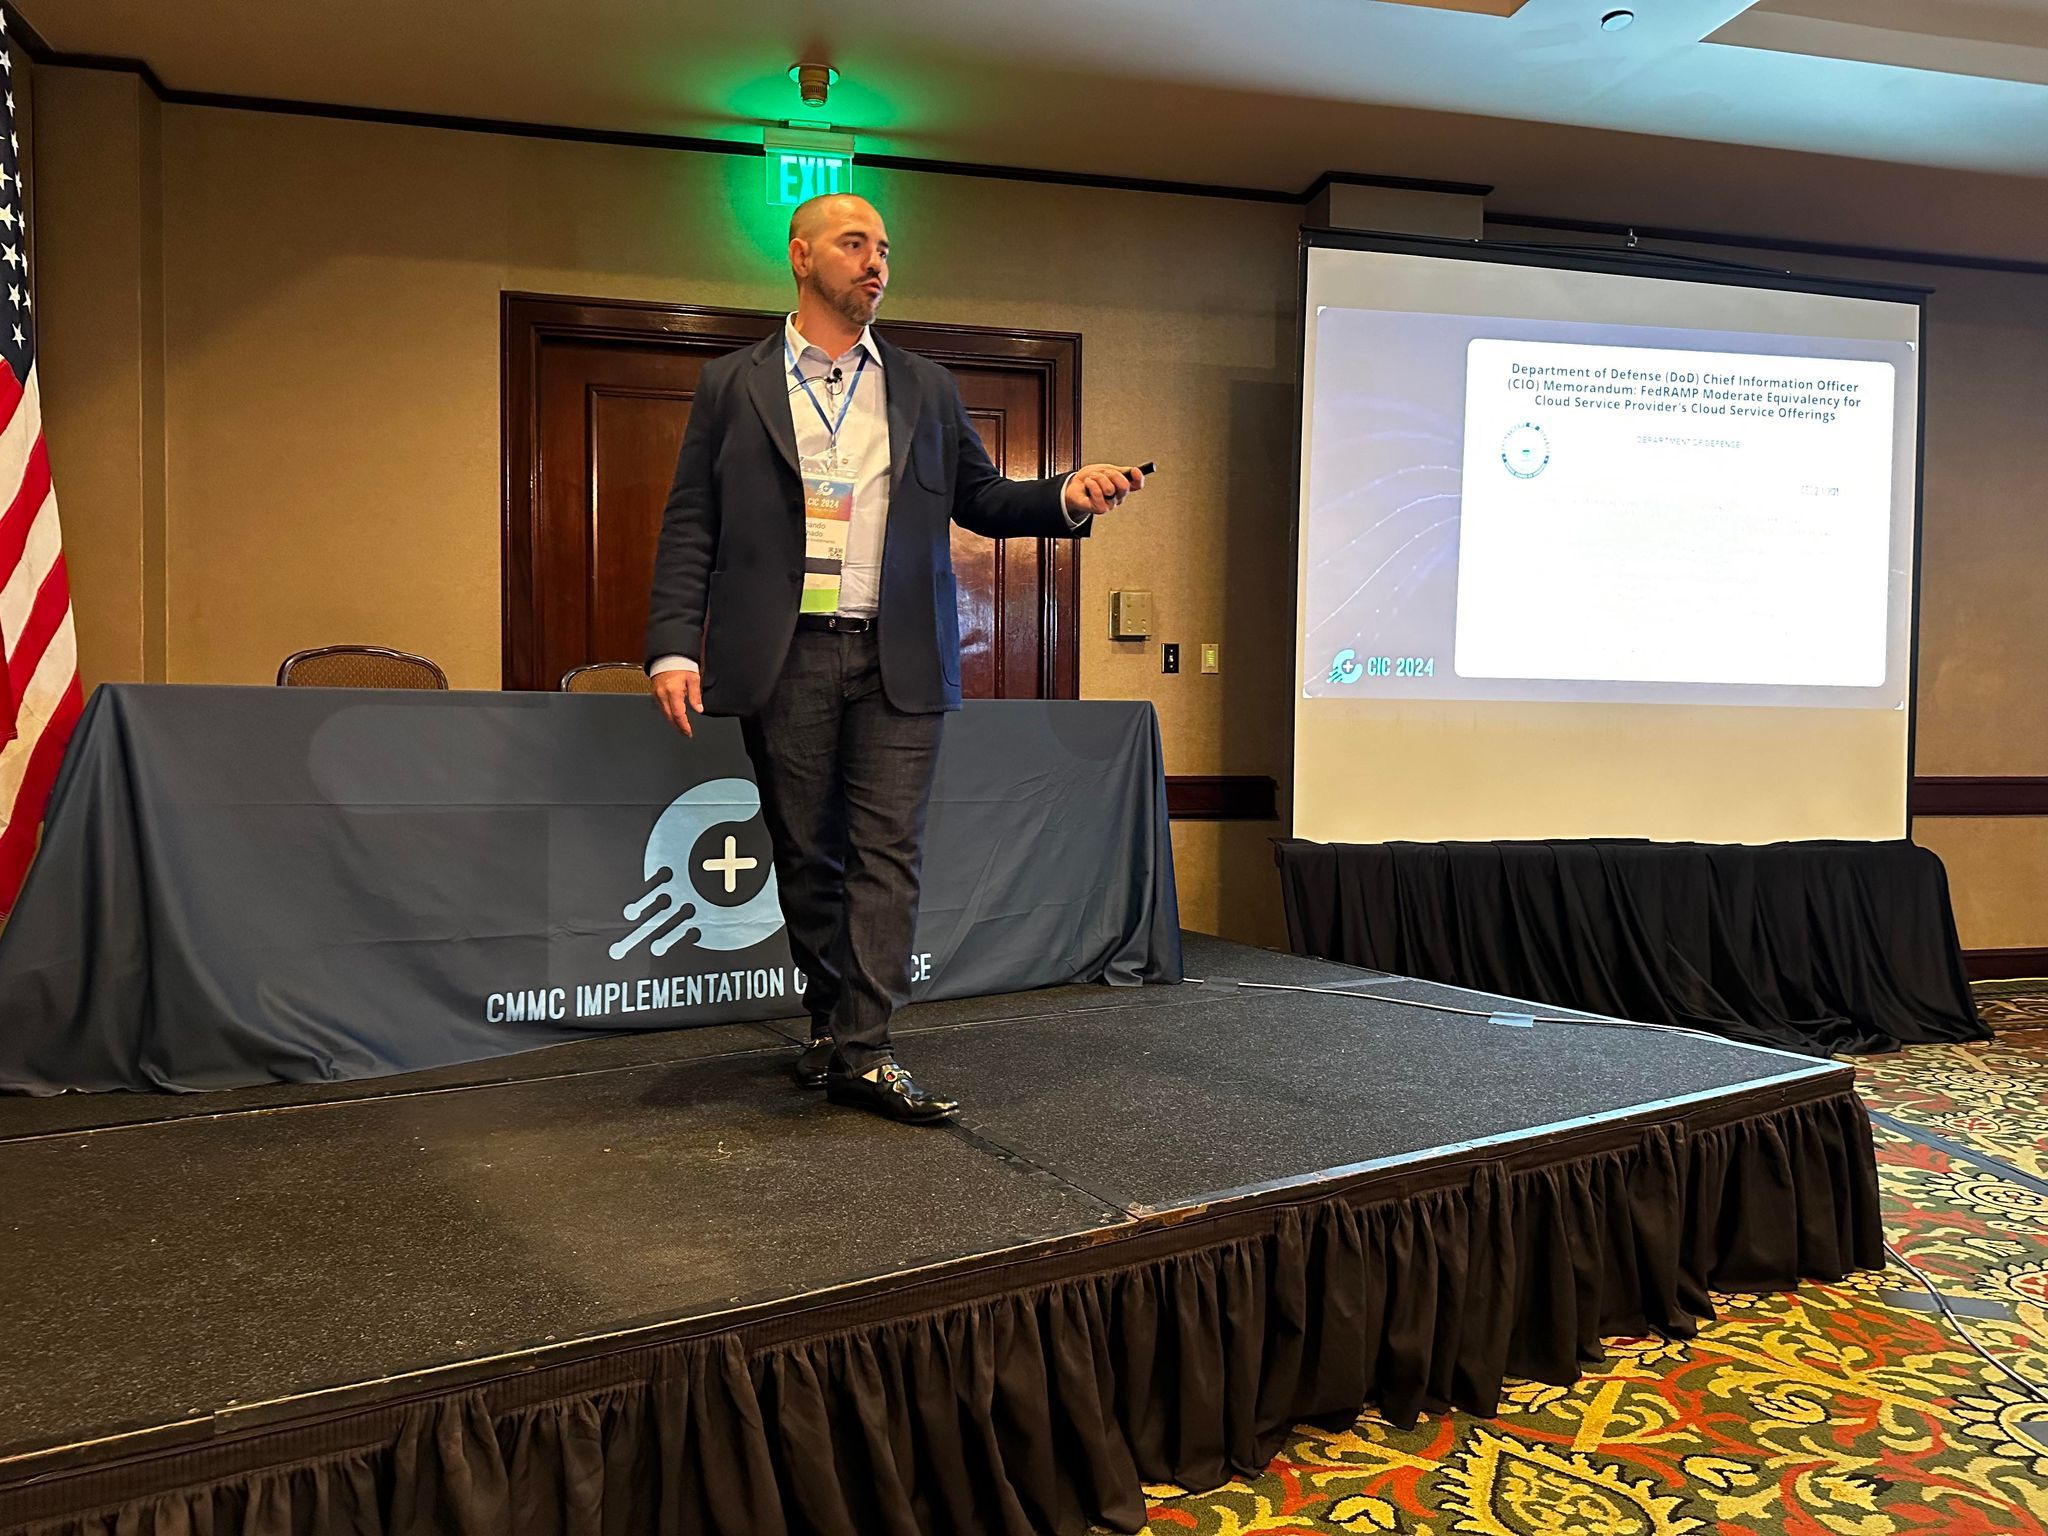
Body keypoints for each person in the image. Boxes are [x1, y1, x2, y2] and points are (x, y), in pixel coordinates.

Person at [644, 193, 1144, 1124]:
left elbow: (984, 499)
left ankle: (867, 1050)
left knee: (887, 853)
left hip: (899, 654)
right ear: (801, 257)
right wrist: (674, 644)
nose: (877, 262)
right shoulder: (732, 385)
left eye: (885, 248)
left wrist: (1064, 495)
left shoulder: (924, 385)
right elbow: (691, 524)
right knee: (805, 854)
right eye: (854, 244)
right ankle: (832, 1026)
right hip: (783, 652)